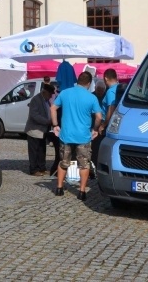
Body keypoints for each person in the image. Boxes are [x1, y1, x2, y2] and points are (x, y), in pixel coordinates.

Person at [50, 71, 101, 201]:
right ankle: (82, 191)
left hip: (66, 135)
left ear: (78, 80)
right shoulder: (91, 97)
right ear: (89, 84)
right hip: (83, 136)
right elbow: (99, 116)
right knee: (84, 164)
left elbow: (53, 108)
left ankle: (59, 188)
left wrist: (55, 125)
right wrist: (95, 129)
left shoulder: (65, 93)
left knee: (63, 162)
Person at [92, 69, 119, 172]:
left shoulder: (111, 91)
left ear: (106, 78)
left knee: (97, 148)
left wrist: (103, 125)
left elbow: (110, 109)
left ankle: (96, 170)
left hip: (106, 125)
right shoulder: (119, 88)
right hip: (114, 124)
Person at [24, 83, 54, 176]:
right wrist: (47, 121)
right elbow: (34, 115)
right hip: (34, 130)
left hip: (42, 130)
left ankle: (42, 168)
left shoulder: (46, 101)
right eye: (50, 94)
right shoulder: (35, 100)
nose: (51, 96)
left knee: (42, 150)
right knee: (34, 151)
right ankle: (33, 169)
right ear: (45, 92)